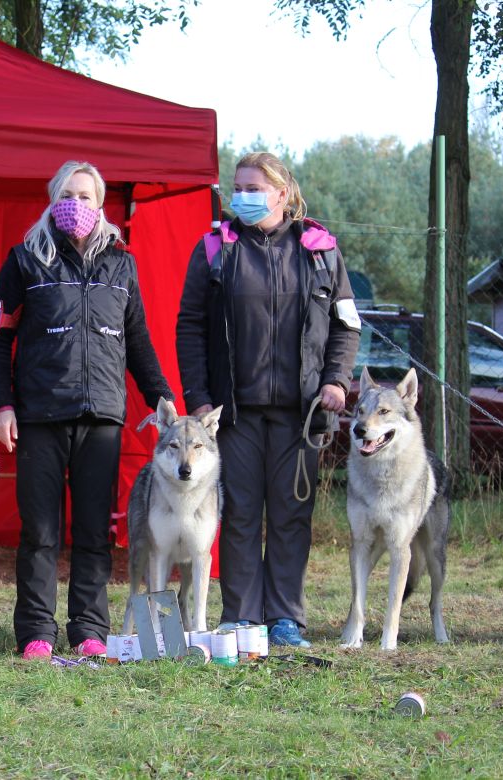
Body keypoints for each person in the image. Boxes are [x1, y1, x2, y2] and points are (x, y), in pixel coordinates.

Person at [0, 160, 172, 661]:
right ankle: (36, 633)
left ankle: (89, 628)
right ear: (52, 199)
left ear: (101, 203)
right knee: (40, 531)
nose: (76, 203)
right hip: (39, 416)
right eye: (67, 194)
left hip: (102, 417)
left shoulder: (121, 263)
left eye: (85, 196)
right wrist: (1, 405)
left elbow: (138, 341)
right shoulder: (25, 259)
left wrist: (161, 396)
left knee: (93, 531)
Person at [176, 151, 360, 647]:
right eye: (238, 187)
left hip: (302, 416)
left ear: (283, 193)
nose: (243, 196)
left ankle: (285, 618)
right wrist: (197, 397)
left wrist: (337, 381)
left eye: (254, 187)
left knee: (290, 514)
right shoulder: (215, 248)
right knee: (237, 512)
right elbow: (190, 326)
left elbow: (346, 325)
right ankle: (241, 615)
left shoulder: (320, 250)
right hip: (232, 414)